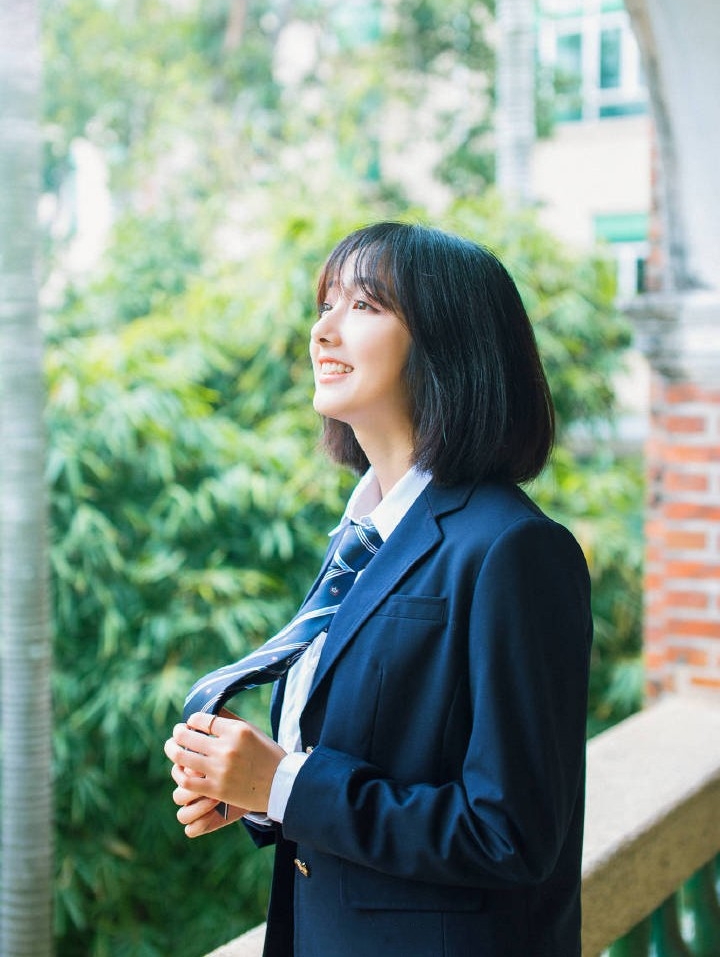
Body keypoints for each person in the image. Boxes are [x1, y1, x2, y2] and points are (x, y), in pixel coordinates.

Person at [164, 222, 592, 957]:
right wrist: (258, 790)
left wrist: (285, 785)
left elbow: (511, 835)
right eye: (326, 303)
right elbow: (385, 761)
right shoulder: (362, 539)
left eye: (364, 306)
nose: (322, 331)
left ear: (448, 342)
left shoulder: (513, 549)